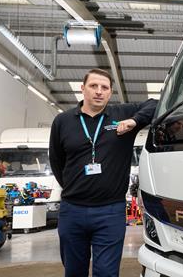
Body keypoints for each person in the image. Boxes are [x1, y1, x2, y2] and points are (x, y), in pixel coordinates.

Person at [49, 68, 157, 277]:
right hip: (73, 211)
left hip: (110, 212)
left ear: (110, 92)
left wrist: (135, 121)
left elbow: (155, 104)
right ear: (83, 89)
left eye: (104, 87)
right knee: (73, 271)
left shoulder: (122, 115)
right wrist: (75, 186)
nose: (99, 91)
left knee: (106, 273)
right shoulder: (63, 121)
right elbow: (57, 160)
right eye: (93, 86)